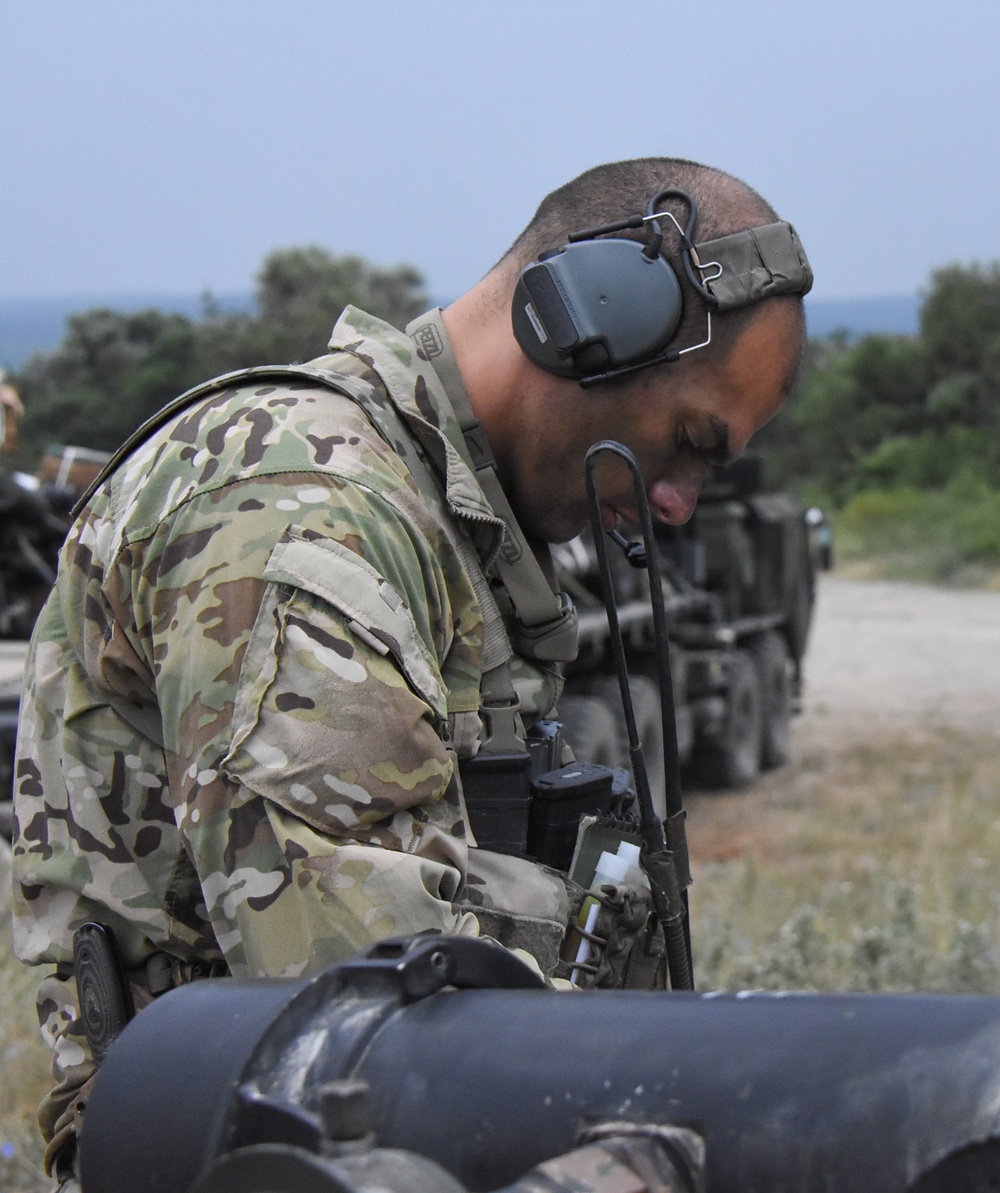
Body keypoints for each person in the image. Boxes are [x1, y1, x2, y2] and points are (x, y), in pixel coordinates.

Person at [10, 156, 811, 1187]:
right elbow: (368, 1013)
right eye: (689, 442)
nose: (676, 504)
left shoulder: (431, 517)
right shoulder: (304, 511)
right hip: (249, 1147)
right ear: (584, 321)